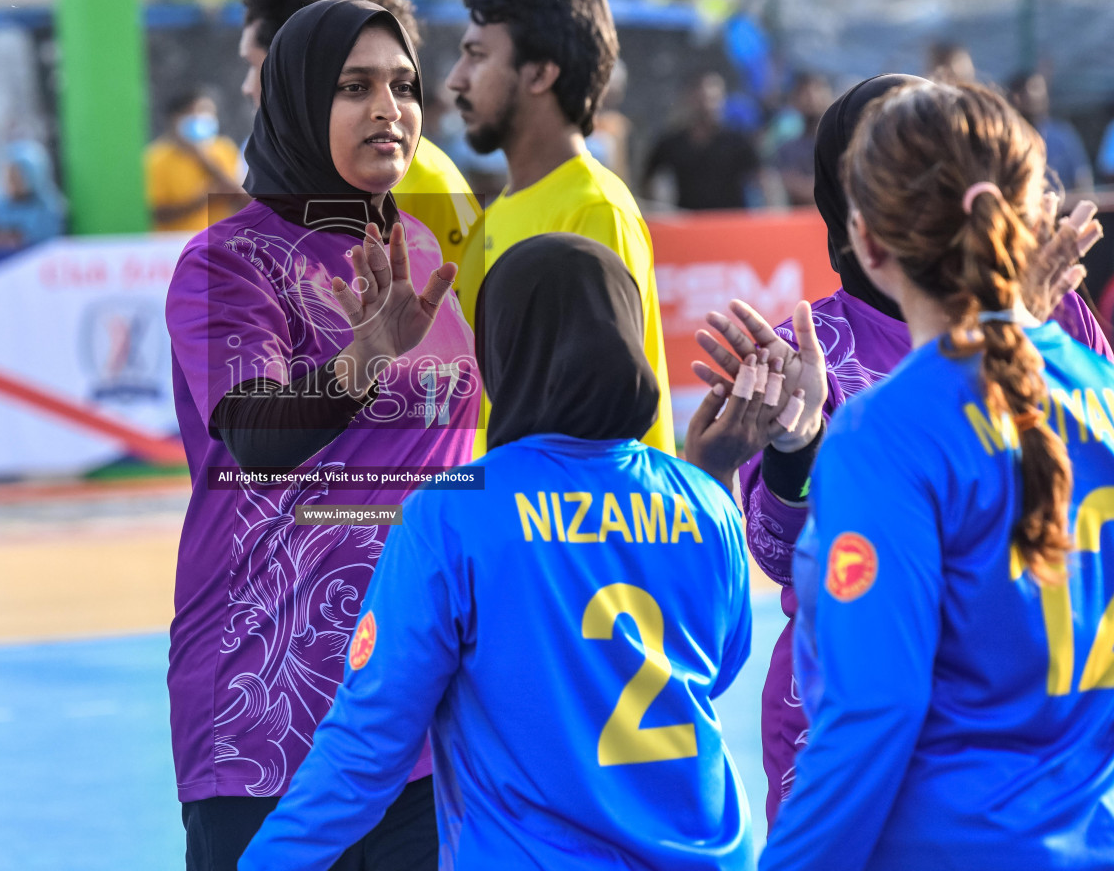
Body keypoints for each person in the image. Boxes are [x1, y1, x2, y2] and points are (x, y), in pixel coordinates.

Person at [238, 233, 812, 871]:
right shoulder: (706, 502)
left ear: (500, 352)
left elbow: (367, 747)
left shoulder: (453, 511)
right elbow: (713, 669)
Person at [689, 74, 1111, 826]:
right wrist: (794, 448)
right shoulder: (806, 349)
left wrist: (1020, 334)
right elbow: (784, 561)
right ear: (851, 212)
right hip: (855, 741)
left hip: (1027, 744)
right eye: (884, 164)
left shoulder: (1057, 320)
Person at [165, 0, 477, 871]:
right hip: (271, 694)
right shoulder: (229, 263)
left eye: (405, 86)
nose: (391, 109)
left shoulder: (421, 248)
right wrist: (364, 358)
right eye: (355, 87)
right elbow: (258, 438)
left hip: (419, 696)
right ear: (299, 101)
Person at [446, 0, 675, 454]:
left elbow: (606, 433)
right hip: (494, 518)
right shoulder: (496, 215)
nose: (455, 79)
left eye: (477, 56)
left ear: (541, 73)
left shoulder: (594, 210)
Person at [239, 0, 482, 267]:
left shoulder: (425, 184)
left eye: (257, 66)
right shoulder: (249, 240)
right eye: (356, 86)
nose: (248, 85)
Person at [642, 71, 765, 211]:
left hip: (731, 224)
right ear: (689, 98)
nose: (708, 106)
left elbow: (762, 181)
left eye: (714, 99)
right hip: (688, 225)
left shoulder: (738, 142)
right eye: (702, 98)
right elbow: (649, 183)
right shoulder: (671, 144)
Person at [144, 92, 247, 235]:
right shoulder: (156, 158)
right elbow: (155, 213)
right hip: (174, 246)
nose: (204, 118)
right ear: (175, 118)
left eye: (209, 113)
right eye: (197, 112)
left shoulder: (224, 149)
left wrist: (204, 160)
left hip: (221, 240)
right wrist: (199, 201)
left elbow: (241, 198)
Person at [1009, 70, 1094, 193]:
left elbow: (1082, 179)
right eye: (1033, 89)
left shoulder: (1062, 135)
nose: (1039, 95)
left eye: (1041, 89)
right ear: (1016, 97)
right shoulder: (1007, 137)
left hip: (1063, 208)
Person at [0, 139, 65, 246]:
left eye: (16, 176)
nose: (10, 181)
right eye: (7, 176)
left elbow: (40, 243)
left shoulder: (48, 209)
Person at [771, 72, 833, 206]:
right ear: (794, 100)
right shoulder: (787, 150)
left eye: (817, 89)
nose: (811, 97)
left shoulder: (844, 143)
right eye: (804, 92)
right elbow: (785, 183)